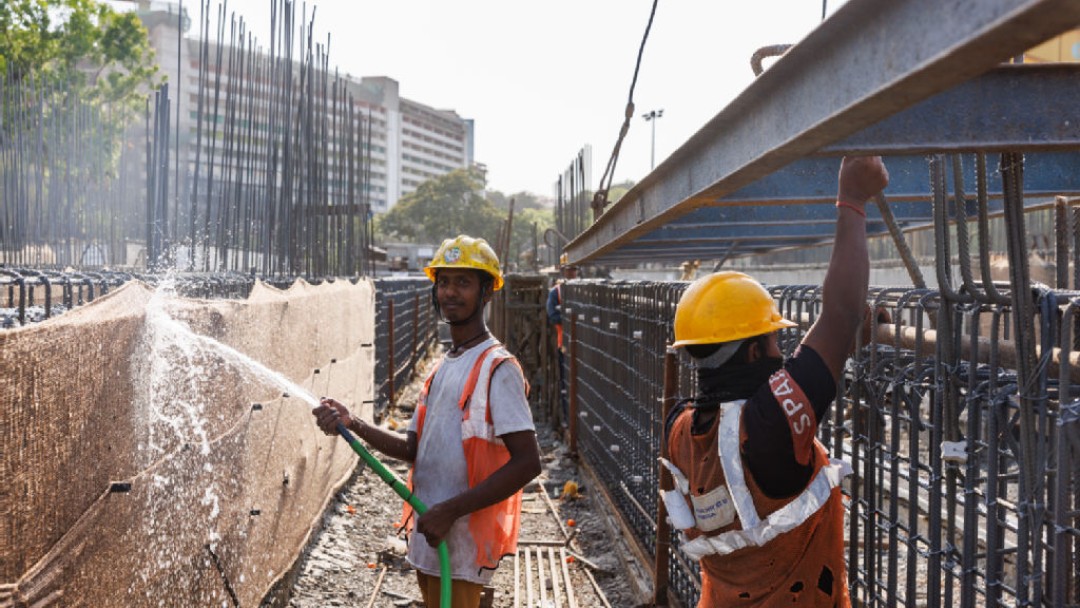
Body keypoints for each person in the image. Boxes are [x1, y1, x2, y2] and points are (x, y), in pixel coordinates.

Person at [661, 156, 889, 606]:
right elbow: (840, 314)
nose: (779, 352)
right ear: (751, 352)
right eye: (771, 340)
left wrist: (838, 345)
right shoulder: (767, 427)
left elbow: (801, 367)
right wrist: (853, 199)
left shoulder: (682, 426)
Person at [313, 235, 542, 608]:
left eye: (464, 282)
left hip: (462, 545)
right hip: (432, 536)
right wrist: (351, 422)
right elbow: (412, 448)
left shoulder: (498, 369)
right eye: (444, 282)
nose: (450, 292)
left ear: (487, 292)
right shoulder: (444, 366)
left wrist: (449, 511)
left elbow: (528, 462)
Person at [546, 257, 578, 423]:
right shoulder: (556, 292)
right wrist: (572, 319)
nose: (571, 273)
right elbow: (552, 317)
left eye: (574, 269)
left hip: (582, 346)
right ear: (563, 271)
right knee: (567, 384)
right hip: (564, 345)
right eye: (569, 269)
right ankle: (567, 419)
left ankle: (578, 419)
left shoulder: (583, 290)